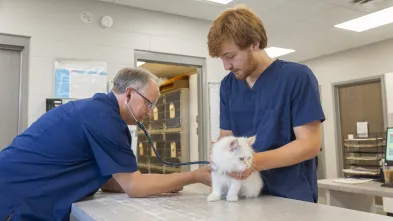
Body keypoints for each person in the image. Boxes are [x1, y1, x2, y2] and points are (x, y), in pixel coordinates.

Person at [0, 67, 211, 221]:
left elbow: (109, 181)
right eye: (149, 104)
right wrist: (194, 176)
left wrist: (164, 185)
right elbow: (134, 186)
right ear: (129, 94)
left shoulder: (100, 112)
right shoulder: (103, 118)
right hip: (15, 198)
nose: (150, 112)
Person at [207, 5, 325, 203]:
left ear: (254, 43)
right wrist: (218, 154)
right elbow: (226, 136)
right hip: (242, 195)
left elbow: (310, 144)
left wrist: (251, 164)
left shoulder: (297, 77)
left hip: (290, 195)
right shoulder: (228, 85)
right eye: (222, 59)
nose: (226, 66)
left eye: (231, 56)